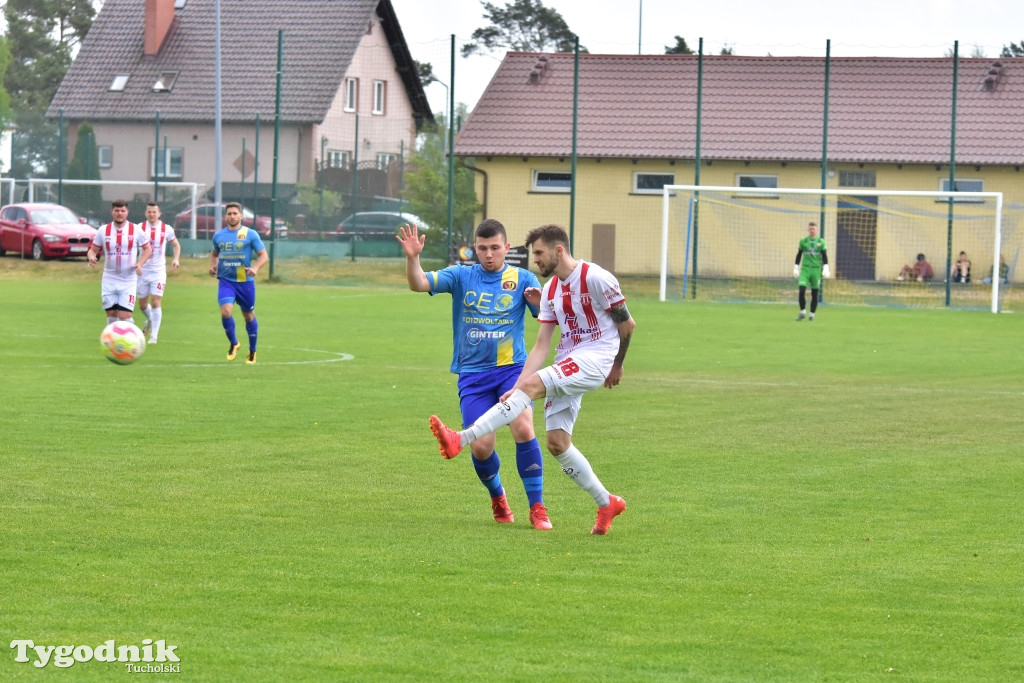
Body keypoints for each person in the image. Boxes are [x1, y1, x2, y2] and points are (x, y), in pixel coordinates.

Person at [429, 224, 636, 536]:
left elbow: (627, 323)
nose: (535, 260)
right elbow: (541, 346)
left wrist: (617, 365)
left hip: (596, 359)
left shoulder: (595, 277)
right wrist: (517, 386)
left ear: (558, 250)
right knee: (557, 443)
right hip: (569, 360)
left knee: (529, 396)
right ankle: (607, 502)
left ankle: (461, 438)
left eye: (538, 253)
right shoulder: (551, 290)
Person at [397, 219, 551, 530]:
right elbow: (418, 284)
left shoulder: (523, 279)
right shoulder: (461, 275)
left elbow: (552, 318)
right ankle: (498, 496)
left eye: (495, 248)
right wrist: (413, 257)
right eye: (482, 248)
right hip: (473, 375)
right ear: (474, 249)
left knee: (523, 425)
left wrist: (542, 305)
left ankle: (537, 507)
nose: (489, 254)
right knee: (481, 446)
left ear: (507, 248)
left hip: (512, 371)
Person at [208, 202, 267, 364]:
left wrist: (255, 268)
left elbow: (264, 256)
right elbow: (214, 254)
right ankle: (234, 343)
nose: (232, 216)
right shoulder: (219, 235)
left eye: (235, 213)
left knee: (248, 315)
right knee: (226, 312)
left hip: (245, 282)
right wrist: (212, 266)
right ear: (225, 216)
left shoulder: (251, 234)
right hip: (226, 281)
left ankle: (252, 350)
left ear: (241, 216)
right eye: (229, 214)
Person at [87, 199, 152, 326]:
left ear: (127, 212)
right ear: (112, 212)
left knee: (124, 316)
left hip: (128, 280)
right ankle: (113, 345)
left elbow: (147, 249)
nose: (120, 213)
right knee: (111, 316)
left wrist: (140, 263)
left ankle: (132, 334)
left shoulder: (136, 230)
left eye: (123, 211)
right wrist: (91, 257)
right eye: (117, 210)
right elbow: (92, 250)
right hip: (109, 279)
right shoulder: (103, 230)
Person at [136, 202, 181, 344]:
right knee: (142, 305)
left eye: (154, 212)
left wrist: (176, 259)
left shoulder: (166, 229)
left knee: (156, 301)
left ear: (159, 214)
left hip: (158, 271)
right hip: (142, 271)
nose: (151, 214)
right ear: (145, 213)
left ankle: (154, 336)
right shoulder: (139, 228)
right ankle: (150, 319)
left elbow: (176, 245)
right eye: (149, 212)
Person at [793, 221, 830, 321]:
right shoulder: (803, 241)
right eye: (810, 229)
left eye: (814, 229)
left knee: (815, 293)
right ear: (808, 230)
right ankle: (803, 312)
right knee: (801, 291)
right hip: (805, 269)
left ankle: (812, 315)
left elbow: (824, 255)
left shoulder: (821, 242)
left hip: (816, 270)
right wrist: (796, 267)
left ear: (817, 230)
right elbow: (799, 254)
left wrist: (826, 267)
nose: (812, 230)